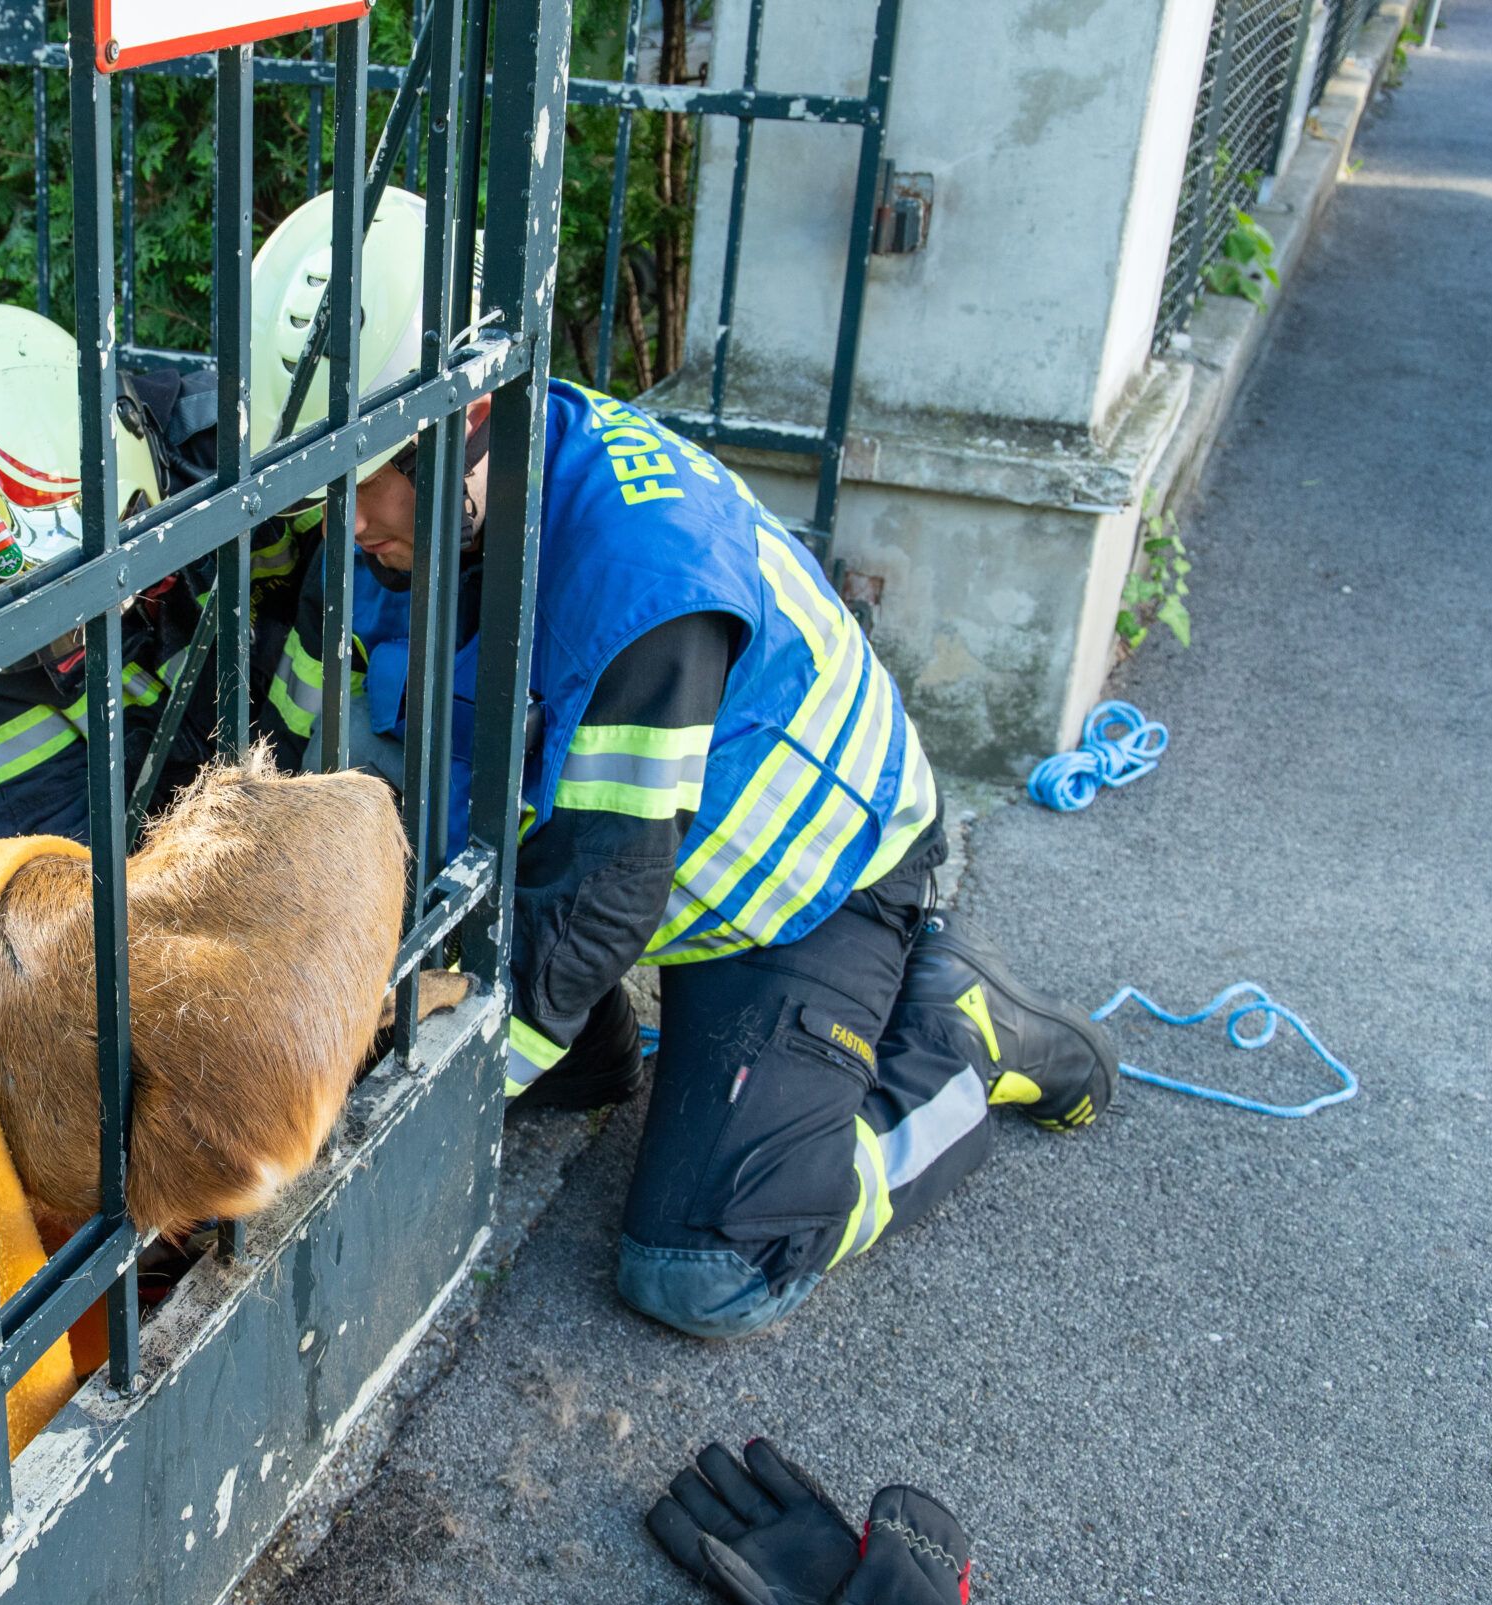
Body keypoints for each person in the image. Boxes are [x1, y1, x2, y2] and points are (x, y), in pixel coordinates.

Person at [248, 189, 1123, 1340]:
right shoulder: (393, 523)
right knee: (508, 1055)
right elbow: (293, 784)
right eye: (325, 474)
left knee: (702, 1268)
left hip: (810, 890)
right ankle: (593, 1048)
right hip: (624, 878)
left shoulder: (642, 575)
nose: (347, 518)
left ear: (471, 425)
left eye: (370, 472)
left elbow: (607, 893)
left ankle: (964, 1034)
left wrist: (389, 1114)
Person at [0, 304, 314, 840]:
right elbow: (54, 859)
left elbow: (366, 618)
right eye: (37, 609)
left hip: (321, 778)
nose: (84, 625)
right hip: (167, 853)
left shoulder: (244, 454)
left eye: (94, 573)